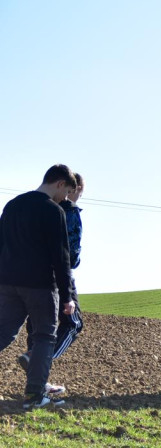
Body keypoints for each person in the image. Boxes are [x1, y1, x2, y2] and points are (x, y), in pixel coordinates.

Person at [0, 164, 77, 410]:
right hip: (40, 286)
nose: (65, 198)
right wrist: (67, 296)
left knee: (4, 332)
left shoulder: (12, 205)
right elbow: (61, 257)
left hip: (8, 282)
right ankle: (34, 396)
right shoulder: (53, 211)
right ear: (60, 183)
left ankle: (35, 394)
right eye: (67, 192)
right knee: (44, 336)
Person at [19, 172, 86, 395]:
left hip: (30, 275)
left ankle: (37, 384)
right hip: (59, 276)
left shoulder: (38, 206)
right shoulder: (70, 211)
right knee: (73, 323)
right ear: (74, 189)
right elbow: (72, 255)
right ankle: (37, 359)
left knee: (36, 327)